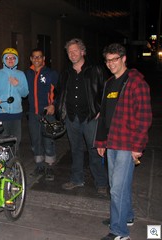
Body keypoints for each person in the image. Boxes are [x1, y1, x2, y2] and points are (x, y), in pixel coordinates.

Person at [95, 43, 152, 240]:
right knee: (118, 185)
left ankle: (119, 232)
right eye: (108, 60)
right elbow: (104, 115)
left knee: (117, 188)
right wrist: (101, 141)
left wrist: (138, 147)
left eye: (115, 59)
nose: (111, 64)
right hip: (112, 142)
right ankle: (125, 216)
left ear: (124, 58)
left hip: (128, 144)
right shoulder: (110, 82)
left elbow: (144, 117)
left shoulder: (136, 83)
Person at [57, 38, 108, 195]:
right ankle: (77, 179)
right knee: (75, 150)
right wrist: (61, 110)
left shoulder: (96, 70)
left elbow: (106, 92)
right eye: (69, 52)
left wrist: (101, 109)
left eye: (75, 51)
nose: (72, 54)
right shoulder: (66, 73)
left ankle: (101, 182)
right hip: (72, 118)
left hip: (90, 117)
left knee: (95, 150)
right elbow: (60, 93)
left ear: (82, 51)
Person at [25, 48, 59, 181]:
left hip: (47, 113)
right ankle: (39, 165)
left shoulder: (51, 73)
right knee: (35, 140)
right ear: (31, 59)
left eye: (39, 57)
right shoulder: (27, 73)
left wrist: (53, 105)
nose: (37, 59)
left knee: (48, 140)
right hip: (33, 113)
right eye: (34, 57)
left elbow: (59, 91)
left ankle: (49, 166)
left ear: (43, 59)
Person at [0, 48, 29, 153]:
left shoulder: (21, 74)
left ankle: (14, 164)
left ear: (17, 60)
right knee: (2, 142)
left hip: (16, 113)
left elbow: (25, 93)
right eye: (8, 58)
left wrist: (17, 84)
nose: (10, 60)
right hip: (1, 113)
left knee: (16, 140)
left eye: (13, 58)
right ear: (3, 60)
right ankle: (2, 165)